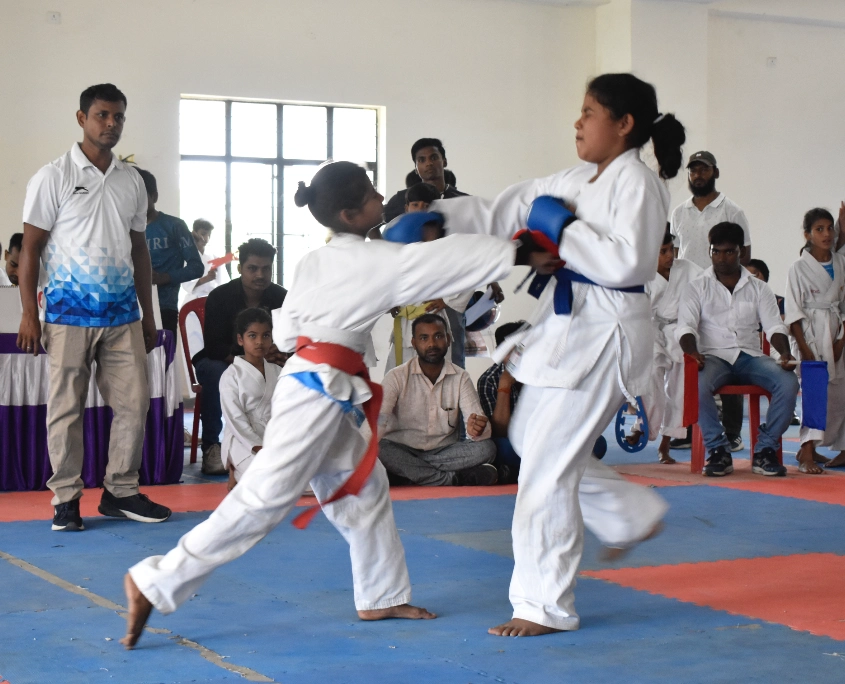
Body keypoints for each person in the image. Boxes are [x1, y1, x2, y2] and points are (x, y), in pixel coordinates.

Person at [119, 160, 557, 648]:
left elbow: (286, 329)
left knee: (363, 493)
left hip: (322, 385)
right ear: (351, 213)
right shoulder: (372, 260)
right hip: (319, 392)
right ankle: (156, 579)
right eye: (371, 193)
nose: (380, 198)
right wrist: (518, 249)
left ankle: (380, 594)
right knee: (262, 500)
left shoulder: (319, 260)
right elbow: (441, 262)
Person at [433, 73, 679, 636]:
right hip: (570, 324)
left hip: (608, 330)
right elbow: (506, 208)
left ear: (624, 125)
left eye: (590, 111)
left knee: (544, 470)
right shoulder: (573, 178)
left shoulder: (637, 183)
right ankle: (628, 514)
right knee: (527, 440)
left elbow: (629, 264)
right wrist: (439, 220)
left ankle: (544, 605)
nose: (578, 121)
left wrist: (562, 228)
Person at [16, 83, 170, 531]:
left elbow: (138, 250)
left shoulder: (131, 181)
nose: (111, 124)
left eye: (118, 117)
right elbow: (31, 247)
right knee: (66, 408)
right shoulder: (54, 175)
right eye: (102, 115)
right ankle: (66, 498)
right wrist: (30, 312)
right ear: (82, 118)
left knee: (135, 402)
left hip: (122, 315)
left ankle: (120, 490)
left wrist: (148, 312)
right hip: (66, 313)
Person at [677, 221, 798, 478]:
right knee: (694, 382)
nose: (721, 258)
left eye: (728, 251)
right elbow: (686, 327)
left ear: (741, 251)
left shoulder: (759, 288)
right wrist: (692, 352)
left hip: (751, 357)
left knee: (788, 382)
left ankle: (765, 450)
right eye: (715, 251)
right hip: (712, 357)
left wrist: (784, 354)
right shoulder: (696, 287)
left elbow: (774, 326)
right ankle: (718, 450)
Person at [669, 151, 750, 452]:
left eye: (704, 170)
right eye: (693, 171)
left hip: (724, 297)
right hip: (689, 297)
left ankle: (731, 433)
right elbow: (675, 258)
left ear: (715, 172)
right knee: (689, 363)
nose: (698, 175)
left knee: (730, 358)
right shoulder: (678, 214)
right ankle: (689, 429)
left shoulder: (733, 210)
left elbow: (747, 255)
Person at [191, 237, 286, 475]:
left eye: (266, 269)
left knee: (297, 370)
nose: (260, 275)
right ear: (240, 268)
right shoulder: (220, 296)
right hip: (221, 361)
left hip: (267, 362)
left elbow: (290, 342)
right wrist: (249, 364)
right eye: (252, 268)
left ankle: (287, 442)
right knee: (216, 373)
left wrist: (281, 355)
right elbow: (214, 346)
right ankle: (212, 445)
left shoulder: (281, 297)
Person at [378, 314, 498, 486]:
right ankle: (452, 479)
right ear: (414, 343)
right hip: (400, 448)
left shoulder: (460, 377)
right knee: (379, 450)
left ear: (448, 339)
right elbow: (378, 422)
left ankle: (406, 476)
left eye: (438, 336)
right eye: (424, 338)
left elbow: (479, 427)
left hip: (444, 452)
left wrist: (477, 430)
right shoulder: (396, 377)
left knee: (487, 449)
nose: (432, 344)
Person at [633, 229, 703, 463]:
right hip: (650, 331)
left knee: (679, 389)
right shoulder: (640, 276)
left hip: (682, 331)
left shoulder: (690, 270)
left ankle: (666, 444)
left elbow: (706, 293)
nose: (669, 256)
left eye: (671, 249)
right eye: (662, 252)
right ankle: (643, 425)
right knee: (650, 379)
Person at [785, 208, 845, 473]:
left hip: (837, 330)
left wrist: (841, 341)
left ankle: (842, 448)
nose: (827, 234)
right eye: (819, 229)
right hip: (810, 334)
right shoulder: (798, 268)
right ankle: (807, 451)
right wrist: (805, 349)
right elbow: (794, 312)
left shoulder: (841, 262)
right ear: (807, 234)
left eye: (830, 228)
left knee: (840, 393)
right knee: (814, 392)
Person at [384, 183, 452, 372]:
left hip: (434, 317)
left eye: (427, 205)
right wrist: (388, 301)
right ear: (406, 208)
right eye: (415, 205)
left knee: (438, 377)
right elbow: (383, 279)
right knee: (400, 378)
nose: (421, 210)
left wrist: (447, 299)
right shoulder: (395, 243)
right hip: (405, 323)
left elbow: (467, 273)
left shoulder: (445, 244)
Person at [219, 307, 282, 490]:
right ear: (241, 339)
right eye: (252, 336)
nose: (260, 342)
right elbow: (234, 418)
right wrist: (257, 447)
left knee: (302, 478)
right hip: (242, 440)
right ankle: (235, 468)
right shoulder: (231, 376)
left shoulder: (278, 372)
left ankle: (240, 473)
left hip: (271, 436)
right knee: (268, 483)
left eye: (266, 335)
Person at [135, 169, 203, 334]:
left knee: (164, 357)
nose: (135, 202)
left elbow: (197, 267)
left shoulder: (174, 226)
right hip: (130, 307)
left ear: (154, 196)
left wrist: (165, 277)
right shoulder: (123, 228)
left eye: (141, 196)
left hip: (165, 306)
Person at [477, 321, 526, 483]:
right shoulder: (489, 380)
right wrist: (504, 387)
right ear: (500, 353)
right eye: (512, 351)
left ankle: (516, 472)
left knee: (597, 444)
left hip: (541, 440)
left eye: (524, 348)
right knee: (500, 448)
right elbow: (500, 432)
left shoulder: (541, 373)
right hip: (513, 442)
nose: (520, 357)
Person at [383, 138, 468, 223]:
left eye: (434, 158)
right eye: (421, 160)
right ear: (416, 168)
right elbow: (376, 223)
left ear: (444, 162)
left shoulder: (464, 200)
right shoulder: (401, 198)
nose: (428, 163)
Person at [179, 218, 230, 309]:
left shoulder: (215, 257)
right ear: (194, 233)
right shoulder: (186, 256)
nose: (206, 239)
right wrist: (206, 279)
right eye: (203, 234)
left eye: (209, 235)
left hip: (213, 301)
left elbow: (224, 283)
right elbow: (186, 285)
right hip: (193, 302)